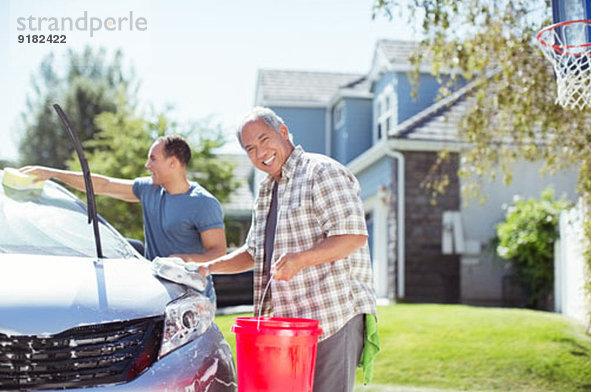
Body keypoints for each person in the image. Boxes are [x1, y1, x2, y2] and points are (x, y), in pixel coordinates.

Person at [195, 107, 377, 392]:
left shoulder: (321, 171)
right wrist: (208, 267)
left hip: (332, 317)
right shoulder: (268, 191)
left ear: (283, 131)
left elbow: (352, 235)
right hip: (288, 328)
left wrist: (300, 260)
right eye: (250, 148)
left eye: (265, 139)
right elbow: (254, 253)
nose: (260, 152)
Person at [19, 135, 226, 264]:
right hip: (160, 293)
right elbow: (104, 185)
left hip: (195, 298)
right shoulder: (149, 189)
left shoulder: (203, 203)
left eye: (153, 158)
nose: (147, 165)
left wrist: (185, 260)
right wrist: (52, 173)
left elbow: (218, 252)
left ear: (173, 162)